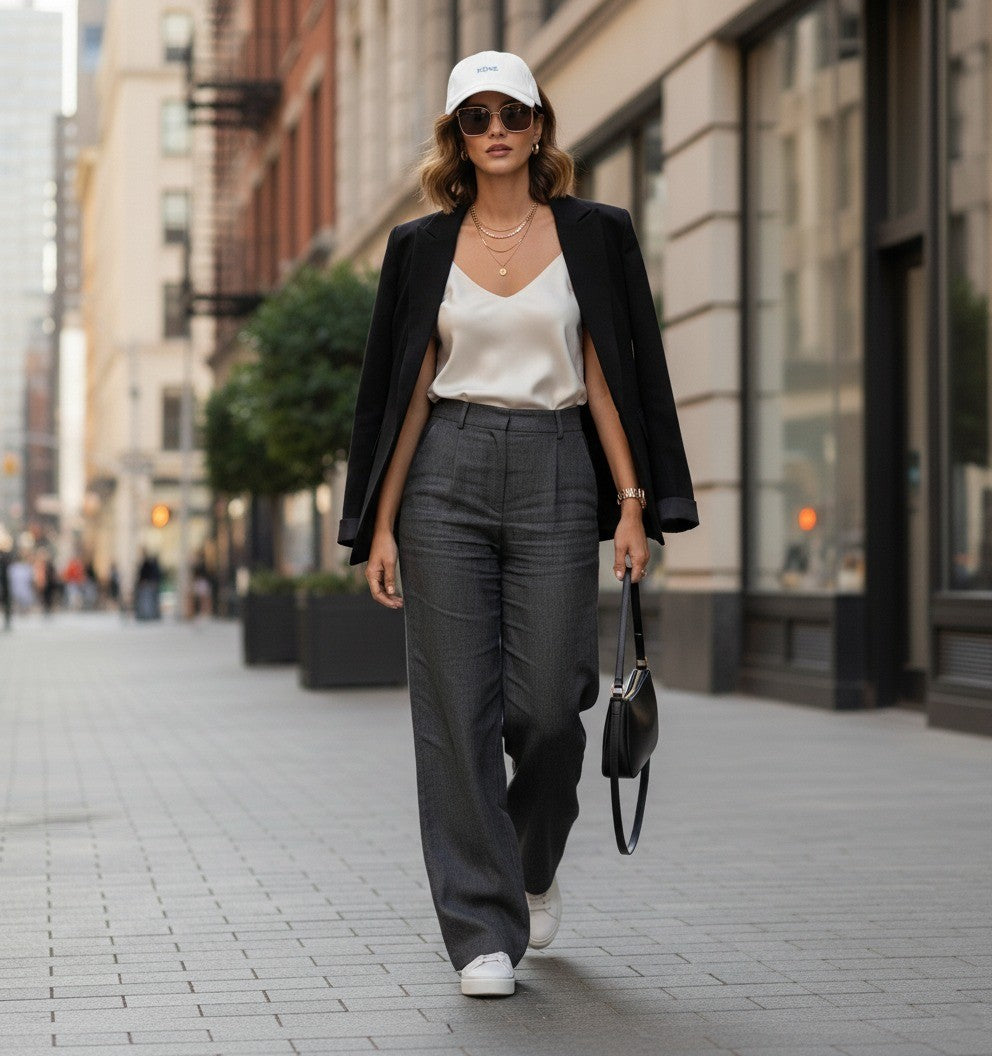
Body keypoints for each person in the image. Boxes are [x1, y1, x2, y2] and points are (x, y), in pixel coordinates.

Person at [338, 51, 697, 998]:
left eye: (512, 112)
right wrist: (379, 524)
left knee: (550, 704)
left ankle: (533, 861)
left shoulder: (594, 234)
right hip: (443, 476)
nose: (495, 129)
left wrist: (633, 506)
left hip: (556, 471)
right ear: (457, 137)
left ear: (540, 126)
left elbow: (610, 375)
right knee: (454, 712)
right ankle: (480, 931)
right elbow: (404, 391)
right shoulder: (421, 247)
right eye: (475, 116)